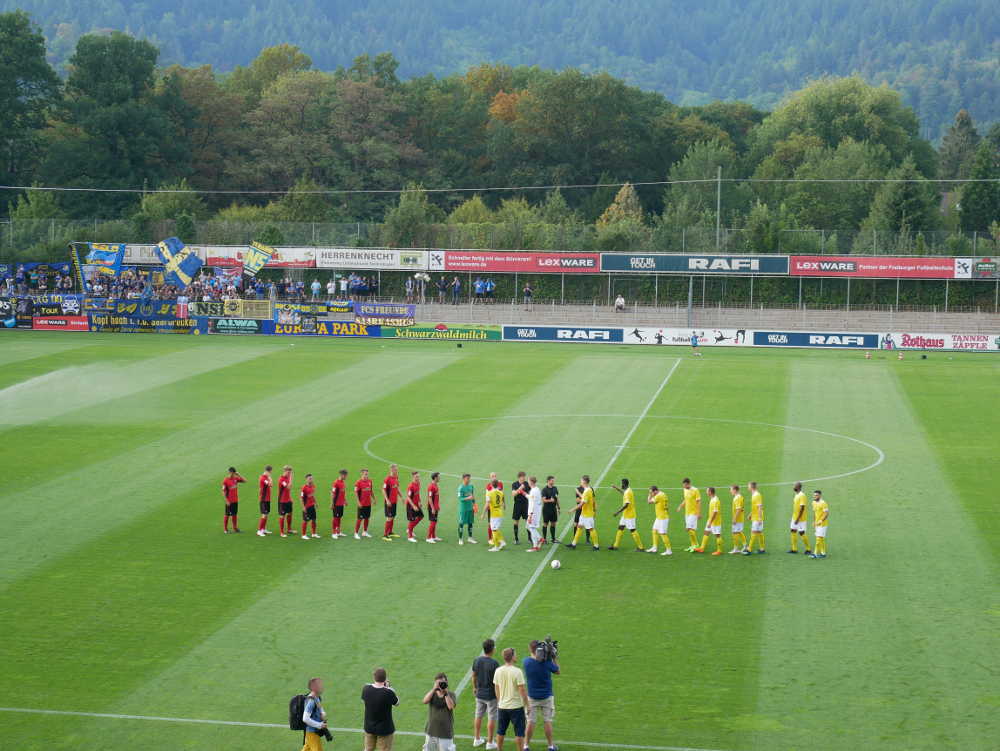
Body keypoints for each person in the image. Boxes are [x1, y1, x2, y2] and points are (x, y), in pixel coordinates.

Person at [523, 641, 559, 751]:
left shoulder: (526, 662)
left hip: (532, 697)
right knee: (547, 721)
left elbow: (533, 658)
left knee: (530, 721)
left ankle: (525, 745)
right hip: (546, 696)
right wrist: (553, 657)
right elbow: (557, 671)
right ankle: (550, 746)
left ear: (531, 650)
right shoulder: (547, 662)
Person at [493, 648, 528, 751]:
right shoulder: (517, 672)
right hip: (516, 707)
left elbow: (496, 687)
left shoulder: (498, 671)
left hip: (502, 706)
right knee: (519, 733)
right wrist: (527, 705)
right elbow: (522, 690)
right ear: (512, 657)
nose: (516, 656)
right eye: (515, 655)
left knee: (500, 731)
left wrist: (500, 700)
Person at [471, 639, 500, 749]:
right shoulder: (494, 663)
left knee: (478, 715)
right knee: (492, 717)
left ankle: (477, 739)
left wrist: (474, 688)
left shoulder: (477, 660)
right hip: (490, 695)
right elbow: (497, 682)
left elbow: (473, 675)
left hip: (479, 694)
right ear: (492, 649)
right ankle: (490, 742)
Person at [362, 667, 398, 751]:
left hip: (369, 727)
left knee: (368, 749)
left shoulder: (366, 689)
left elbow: (365, 702)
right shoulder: (389, 692)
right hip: (385, 729)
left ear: (374, 677)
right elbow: (397, 703)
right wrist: (389, 688)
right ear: (385, 678)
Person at [423, 672, 457, 751]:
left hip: (445, 732)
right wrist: (433, 689)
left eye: (442, 683)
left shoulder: (451, 694)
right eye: (438, 683)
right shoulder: (432, 694)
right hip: (431, 731)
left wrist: (446, 693)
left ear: (446, 683)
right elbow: (425, 701)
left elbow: (450, 706)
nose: (440, 685)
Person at [609, 478, 644, 552]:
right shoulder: (628, 490)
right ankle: (615, 546)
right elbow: (623, 493)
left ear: (624, 484)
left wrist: (618, 512)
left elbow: (626, 505)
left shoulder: (628, 492)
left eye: (621, 484)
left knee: (633, 530)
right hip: (625, 515)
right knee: (620, 528)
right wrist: (616, 488)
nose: (621, 485)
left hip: (629, 515)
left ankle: (640, 547)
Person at [567, 475, 599, 550]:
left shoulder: (587, 491)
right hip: (584, 514)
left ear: (584, 482)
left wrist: (572, 509)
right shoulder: (588, 489)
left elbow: (581, 504)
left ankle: (596, 546)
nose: (580, 482)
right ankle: (573, 544)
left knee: (591, 529)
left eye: (581, 481)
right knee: (579, 527)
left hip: (588, 515)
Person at [301, 677, 329, 751]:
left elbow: (319, 707)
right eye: (319, 685)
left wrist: (323, 713)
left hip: (312, 733)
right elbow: (305, 718)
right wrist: (319, 725)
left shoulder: (316, 697)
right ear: (314, 688)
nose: (322, 686)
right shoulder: (311, 701)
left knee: (307, 749)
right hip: (312, 733)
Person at [694, 486, 724, 555]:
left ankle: (719, 550)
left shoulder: (715, 500)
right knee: (706, 532)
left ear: (710, 492)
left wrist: (710, 522)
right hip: (710, 520)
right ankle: (702, 548)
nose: (706, 492)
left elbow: (715, 512)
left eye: (707, 491)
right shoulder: (712, 499)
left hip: (715, 521)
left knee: (717, 535)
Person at [645, 485, 672, 555]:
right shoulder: (662, 494)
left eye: (652, 492)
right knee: (654, 530)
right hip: (659, 517)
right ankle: (654, 547)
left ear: (655, 491)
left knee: (663, 534)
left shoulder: (658, 496)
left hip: (663, 518)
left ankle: (669, 550)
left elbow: (649, 502)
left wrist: (649, 495)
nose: (651, 494)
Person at [677, 478, 702, 552]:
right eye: (683, 485)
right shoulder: (685, 490)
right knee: (691, 530)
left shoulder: (695, 490)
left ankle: (696, 544)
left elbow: (699, 502)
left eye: (685, 485)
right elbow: (686, 500)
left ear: (689, 483)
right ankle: (693, 545)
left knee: (689, 529)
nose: (684, 486)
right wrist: (680, 506)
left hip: (693, 513)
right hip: (687, 512)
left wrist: (698, 513)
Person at [789, 482, 811, 555]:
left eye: (794, 486)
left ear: (798, 487)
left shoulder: (802, 495)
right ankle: (794, 549)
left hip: (800, 518)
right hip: (794, 517)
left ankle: (808, 549)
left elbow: (802, 508)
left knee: (801, 533)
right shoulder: (796, 495)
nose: (793, 487)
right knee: (793, 530)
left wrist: (798, 519)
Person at [744, 481, 766, 555]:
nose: (748, 487)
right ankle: (762, 549)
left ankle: (749, 549)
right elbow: (755, 507)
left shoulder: (757, 495)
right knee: (759, 532)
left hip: (757, 518)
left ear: (751, 487)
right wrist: (750, 514)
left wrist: (759, 518)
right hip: (755, 516)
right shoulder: (754, 495)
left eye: (748, 486)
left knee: (754, 532)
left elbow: (760, 507)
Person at [222, 467, 245, 533]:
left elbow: (244, 481)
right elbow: (223, 491)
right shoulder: (225, 480)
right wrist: (226, 501)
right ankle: (225, 530)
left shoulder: (235, 478)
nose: (233, 474)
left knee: (234, 514)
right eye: (233, 473)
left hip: (235, 500)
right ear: (230, 472)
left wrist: (239, 475)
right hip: (229, 501)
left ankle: (235, 528)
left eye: (234, 473)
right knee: (227, 515)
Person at [485, 482, 506, 552]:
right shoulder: (501, 492)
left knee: (493, 530)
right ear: (498, 485)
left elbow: (487, 504)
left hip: (494, 514)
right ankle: (502, 541)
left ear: (491, 485)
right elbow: (502, 500)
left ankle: (496, 546)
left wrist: (483, 513)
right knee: (495, 529)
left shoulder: (489, 493)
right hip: (500, 512)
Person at [382, 464, 401, 541]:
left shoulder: (396, 477)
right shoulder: (387, 479)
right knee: (389, 518)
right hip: (389, 502)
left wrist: (401, 496)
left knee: (393, 516)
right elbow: (383, 490)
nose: (397, 471)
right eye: (396, 469)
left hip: (394, 501)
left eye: (397, 469)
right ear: (392, 470)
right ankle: (385, 535)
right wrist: (387, 500)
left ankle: (390, 532)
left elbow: (397, 487)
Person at [457, 473, 477, 545]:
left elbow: (472, 495)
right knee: (461, 523)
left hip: (470, 508)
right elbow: (460, 498)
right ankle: (460, 539)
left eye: (469, 478)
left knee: (470, 523)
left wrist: (474, 504)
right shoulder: (461, 488)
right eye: (467, 478)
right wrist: (467, 498)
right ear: (464, 479)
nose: (469, 479)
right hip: (463, 509)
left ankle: (470, 538)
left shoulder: (471, 486)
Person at [808, 490, 829, 558]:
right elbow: (814, 513)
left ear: (820, 495)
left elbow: (826, 513)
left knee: (818, 539)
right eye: (814, 495)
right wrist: (814, 521)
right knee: (821, 539)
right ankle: (823, 553)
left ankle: (815, 553)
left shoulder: (823, 503)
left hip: (823, 524)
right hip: (817, 524)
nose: (814, 496)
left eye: (816, 495)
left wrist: (821, 520)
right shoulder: (813, 502)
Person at [355, 468, 374, 539]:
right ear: (362, 474)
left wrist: (373, 499)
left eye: (367, 474)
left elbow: (371, 490)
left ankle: (365, 532)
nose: (367, 475)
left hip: (368, 504)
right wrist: (358, 502)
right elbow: (356, 493)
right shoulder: (358, 482)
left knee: (367, 518)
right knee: (359, 519)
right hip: (361, 504)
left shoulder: (370, 481)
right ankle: (356, 533)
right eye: (365, 474)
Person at [510, 472, 529, 545]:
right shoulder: (514, 484)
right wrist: (520, 489)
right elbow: (513, 494)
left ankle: (530, 538)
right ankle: (516, 539)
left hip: (525, 505)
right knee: (516, 521)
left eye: (524, 476)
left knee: (528, 521)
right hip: (517, 505)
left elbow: (530, 493)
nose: (524, 478)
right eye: (523, 476)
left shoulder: (527, 484)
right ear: (519, 477)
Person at [525, 476, 543, 552]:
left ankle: (539, 540)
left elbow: (532, 503)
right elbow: (532, 498)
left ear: (531, 482)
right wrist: (524, 494)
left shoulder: (533, 491)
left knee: (531, 527)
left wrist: (530, 515)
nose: (528, 483)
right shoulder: (537, 489)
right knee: (529, 527)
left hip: (533, 512)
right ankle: (536, 545)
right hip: (537, 511)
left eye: (528, 481)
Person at [405, 471, 424, 542]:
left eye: (418, 476)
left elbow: (417, 494)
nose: (418, 478)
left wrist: (419, 502)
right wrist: (413, 506)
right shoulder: (411, 486)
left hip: (416, 504)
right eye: (416, 477)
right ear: (413, 477)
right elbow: (408, 497)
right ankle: (410, 536)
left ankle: (409, 529)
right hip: (411, 505)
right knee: (412, 520)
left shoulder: (418, 483)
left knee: (421, 516)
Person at [540, 476, 560, 544]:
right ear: (548, 481)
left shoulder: (555, 488)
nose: (553, 482)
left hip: (553, 509)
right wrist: (550, 500)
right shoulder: (544, 490)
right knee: (545, 523)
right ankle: (544, 539)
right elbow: (543, 500)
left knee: (553, 523)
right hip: (546, 510)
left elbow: (556, 498)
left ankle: (553, 539)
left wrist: (558, 507)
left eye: (553, 480)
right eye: (552, 480)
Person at [301, 473, 319, 539]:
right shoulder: (304, 488)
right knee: (305, 520)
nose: (311, 480)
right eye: (309, 478)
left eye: (312, 478)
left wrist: (316, 503)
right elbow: (301, 498)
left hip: (312, 506)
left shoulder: (313, 486)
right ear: (306, 479)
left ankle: (313, 534)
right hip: (306, 507)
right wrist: (303, 507)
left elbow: (312, 495)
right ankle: (303, 535)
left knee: (314, 520)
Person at [331, 469, 348, 538]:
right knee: (335, 518)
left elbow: (342, 493)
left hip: (341, 503)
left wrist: (345, 500)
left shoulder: (343, 482)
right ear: (342, 475)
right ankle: (333, 532)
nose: (346, 477)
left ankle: (338, 531)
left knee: (339, 517)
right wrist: (332, 503)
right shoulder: (336, 483)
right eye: (346, 475)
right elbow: (332, 493)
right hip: (336, 504)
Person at [257, 464, 274, 536]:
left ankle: (263, 529)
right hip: (263, 499)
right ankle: (259, 530)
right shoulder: (263, 478)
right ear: (268, 471)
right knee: (264, 514)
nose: (270, 473)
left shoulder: (266, 478)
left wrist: (269, 478)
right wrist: (270, 478)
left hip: (267, 499)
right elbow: (271, 485)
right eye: (270, 472)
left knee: (266, 514)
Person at [729, 485, 746, 553]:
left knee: (735, 532)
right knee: (738, 532)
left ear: (735, 490)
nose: (730, 491)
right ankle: (745, 546)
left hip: (738, 519)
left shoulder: (737, 498)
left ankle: (736, 548)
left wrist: (734, 519)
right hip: (740, 518)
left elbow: (738, 509)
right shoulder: (739, 497)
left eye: (731, 490)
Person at [426, 472, 442, 543]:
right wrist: (432, 508)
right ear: (435, 478)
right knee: (433, 521)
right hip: (431, 507)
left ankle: (433, 536)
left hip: (435, 507)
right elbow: (429, 498)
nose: (439, 478)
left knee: (434, 521)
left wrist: (437, 506)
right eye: (438, 477)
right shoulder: (431, 486)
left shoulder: (436, 485)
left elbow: (436, 497)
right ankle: (428, 537)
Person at [278, 465, 294, 537]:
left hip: (288, 500)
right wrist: (291, 478)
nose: (290, 473)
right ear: (285, 471)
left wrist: (290, 498)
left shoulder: (287, 478)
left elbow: (288, 490)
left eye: (290, 472)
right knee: (282, 516)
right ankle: (281, 532)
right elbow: (288, 487)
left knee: (290, 514)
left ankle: (289, 529)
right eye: (289, 472)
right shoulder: (281, 479)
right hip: (282, 501)